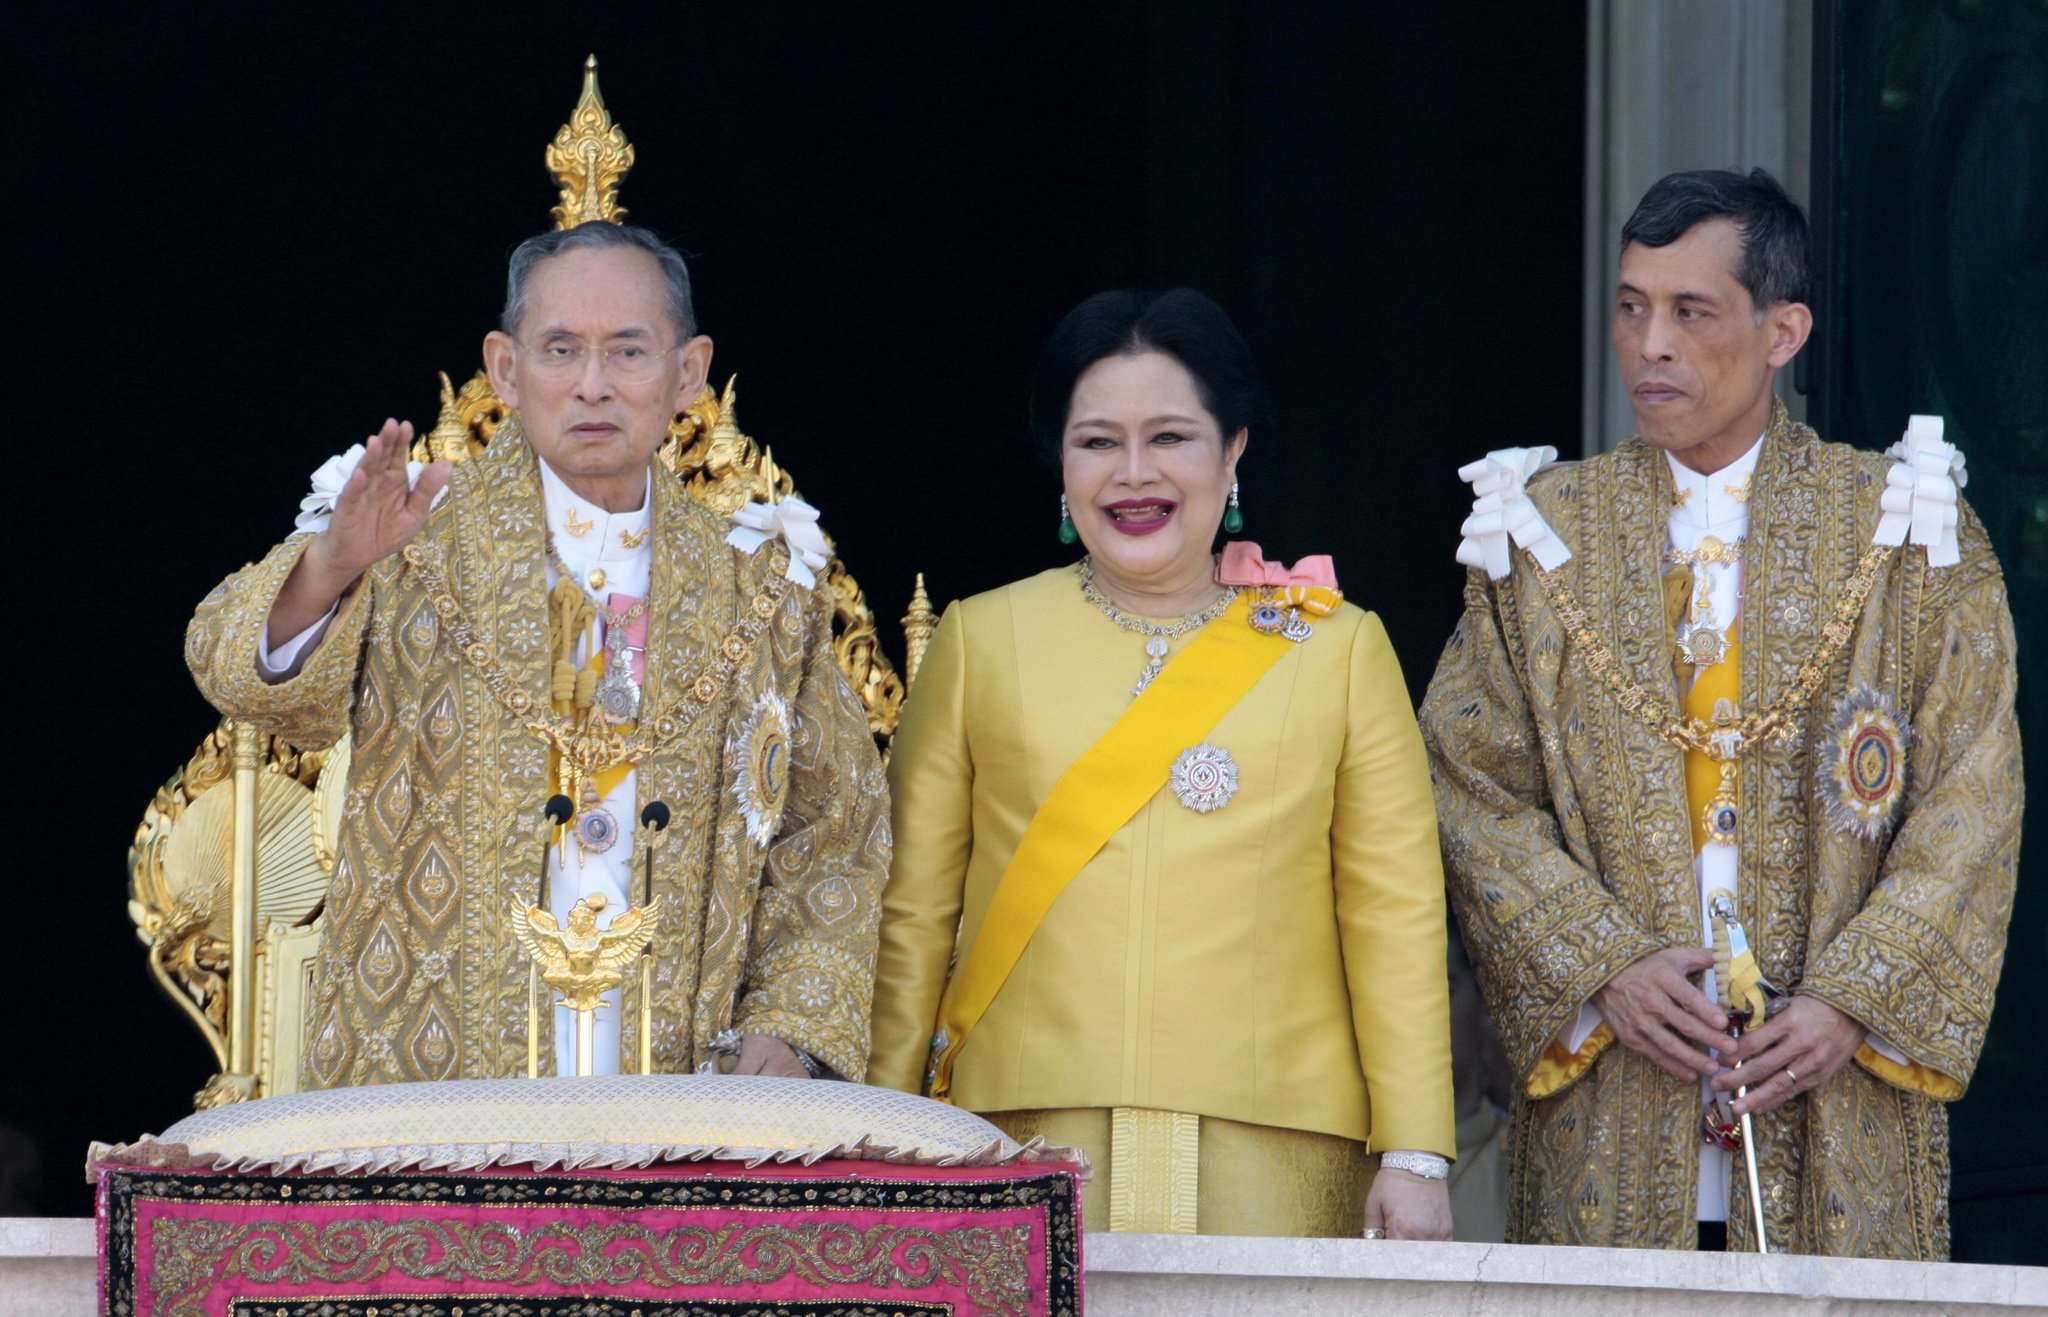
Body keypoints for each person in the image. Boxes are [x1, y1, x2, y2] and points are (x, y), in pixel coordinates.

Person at [1419, 169, 2019, 1258]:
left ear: (1780, 330)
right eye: (1630, 305)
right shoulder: (1538, 533)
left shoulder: (1905, 530)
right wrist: (1602, 963)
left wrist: (1848, 1000)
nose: (1649, 344)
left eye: (1688, 312)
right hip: (1612, 1101)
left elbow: (1970, 798)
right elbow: (1467, 782)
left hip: (1837, 1106)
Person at [187, 220, 890, 1088]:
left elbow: (834, 838)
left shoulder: (765, 592)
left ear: (689, 372)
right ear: (507, 369)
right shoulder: (407, 538)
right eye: (560, 349)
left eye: (628, 351)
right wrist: (331, 563)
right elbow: (235, 675)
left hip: (678, 1077)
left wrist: (788, 1026)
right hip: (433, 1079)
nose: (592, 385)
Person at [869, 289, 1456, 1239]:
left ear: (1233, 452)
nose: (1133, 474)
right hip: (1016, 1139)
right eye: (1097, 441)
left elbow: (1393, 913)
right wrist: (880, 1126)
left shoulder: (1340, 648)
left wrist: (1416, 1151)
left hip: (1278, 1142)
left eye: (1172, 438)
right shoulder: (983, 638)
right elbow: (912, 913)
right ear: (1059, 464)